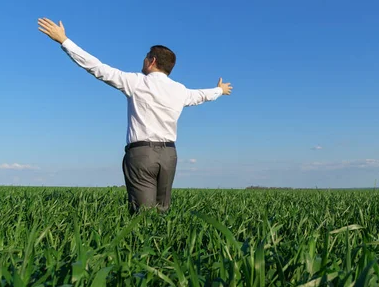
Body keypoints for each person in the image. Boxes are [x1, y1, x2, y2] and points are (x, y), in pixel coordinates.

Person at [37, 17, 233, 213]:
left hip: (142, 154)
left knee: (143, 215)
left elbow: (96, 67)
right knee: (162, 211)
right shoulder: (179, 90)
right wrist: (220, 90)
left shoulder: (136, 82)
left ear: (152, 61)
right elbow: (201, 95)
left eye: (146, 56)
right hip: (169, 155)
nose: (144, 60)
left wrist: (64, 41)